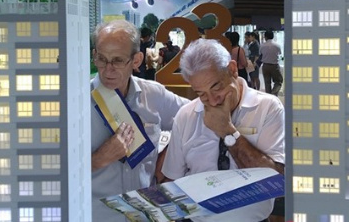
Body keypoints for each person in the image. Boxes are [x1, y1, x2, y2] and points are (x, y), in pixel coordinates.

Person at [162, 39, 284, 222]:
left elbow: (276, 181)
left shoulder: (267, 107)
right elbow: (173, 179)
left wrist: (228, 131)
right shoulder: (186, 115)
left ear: (233, 70)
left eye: (216, 87)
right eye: (201, 94)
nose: (212, 101)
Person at [90, 20, 189, 222]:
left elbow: (195, 116)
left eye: (117, 60)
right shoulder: (73, 101)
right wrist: (97, 160)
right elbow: (49, 172)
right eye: (101, 59)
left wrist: (170, 155)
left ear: (136, 60)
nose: (107, 70)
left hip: (146, 215)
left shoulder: (153, 94)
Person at [259, 30, 283, 96]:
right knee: (278, 81)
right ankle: (274, 93)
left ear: (265, 37)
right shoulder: (277, 45)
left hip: (265, 66)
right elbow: (280, 54)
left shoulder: (262, 45)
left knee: (267, 83)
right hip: (274, 66)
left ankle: (269, 97)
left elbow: (260, 54)